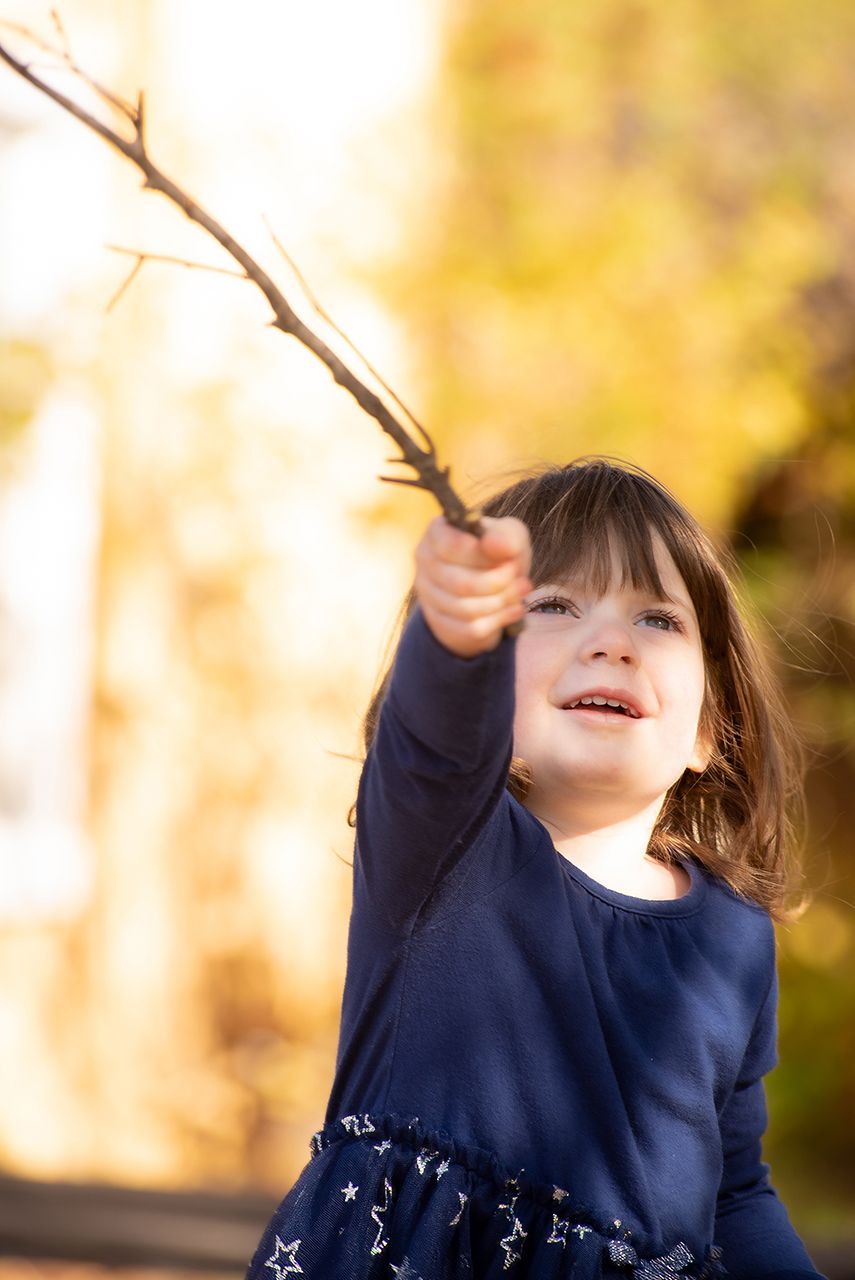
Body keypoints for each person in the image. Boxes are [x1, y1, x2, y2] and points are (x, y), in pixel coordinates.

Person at [246, 459, 826, 1280]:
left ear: (711, 729)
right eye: (552, 606)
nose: (610, 642)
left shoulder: (731, 939)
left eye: (658, 620)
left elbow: (733, 1192)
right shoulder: (443, 847)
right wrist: (453, 632)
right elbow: (433, 733)